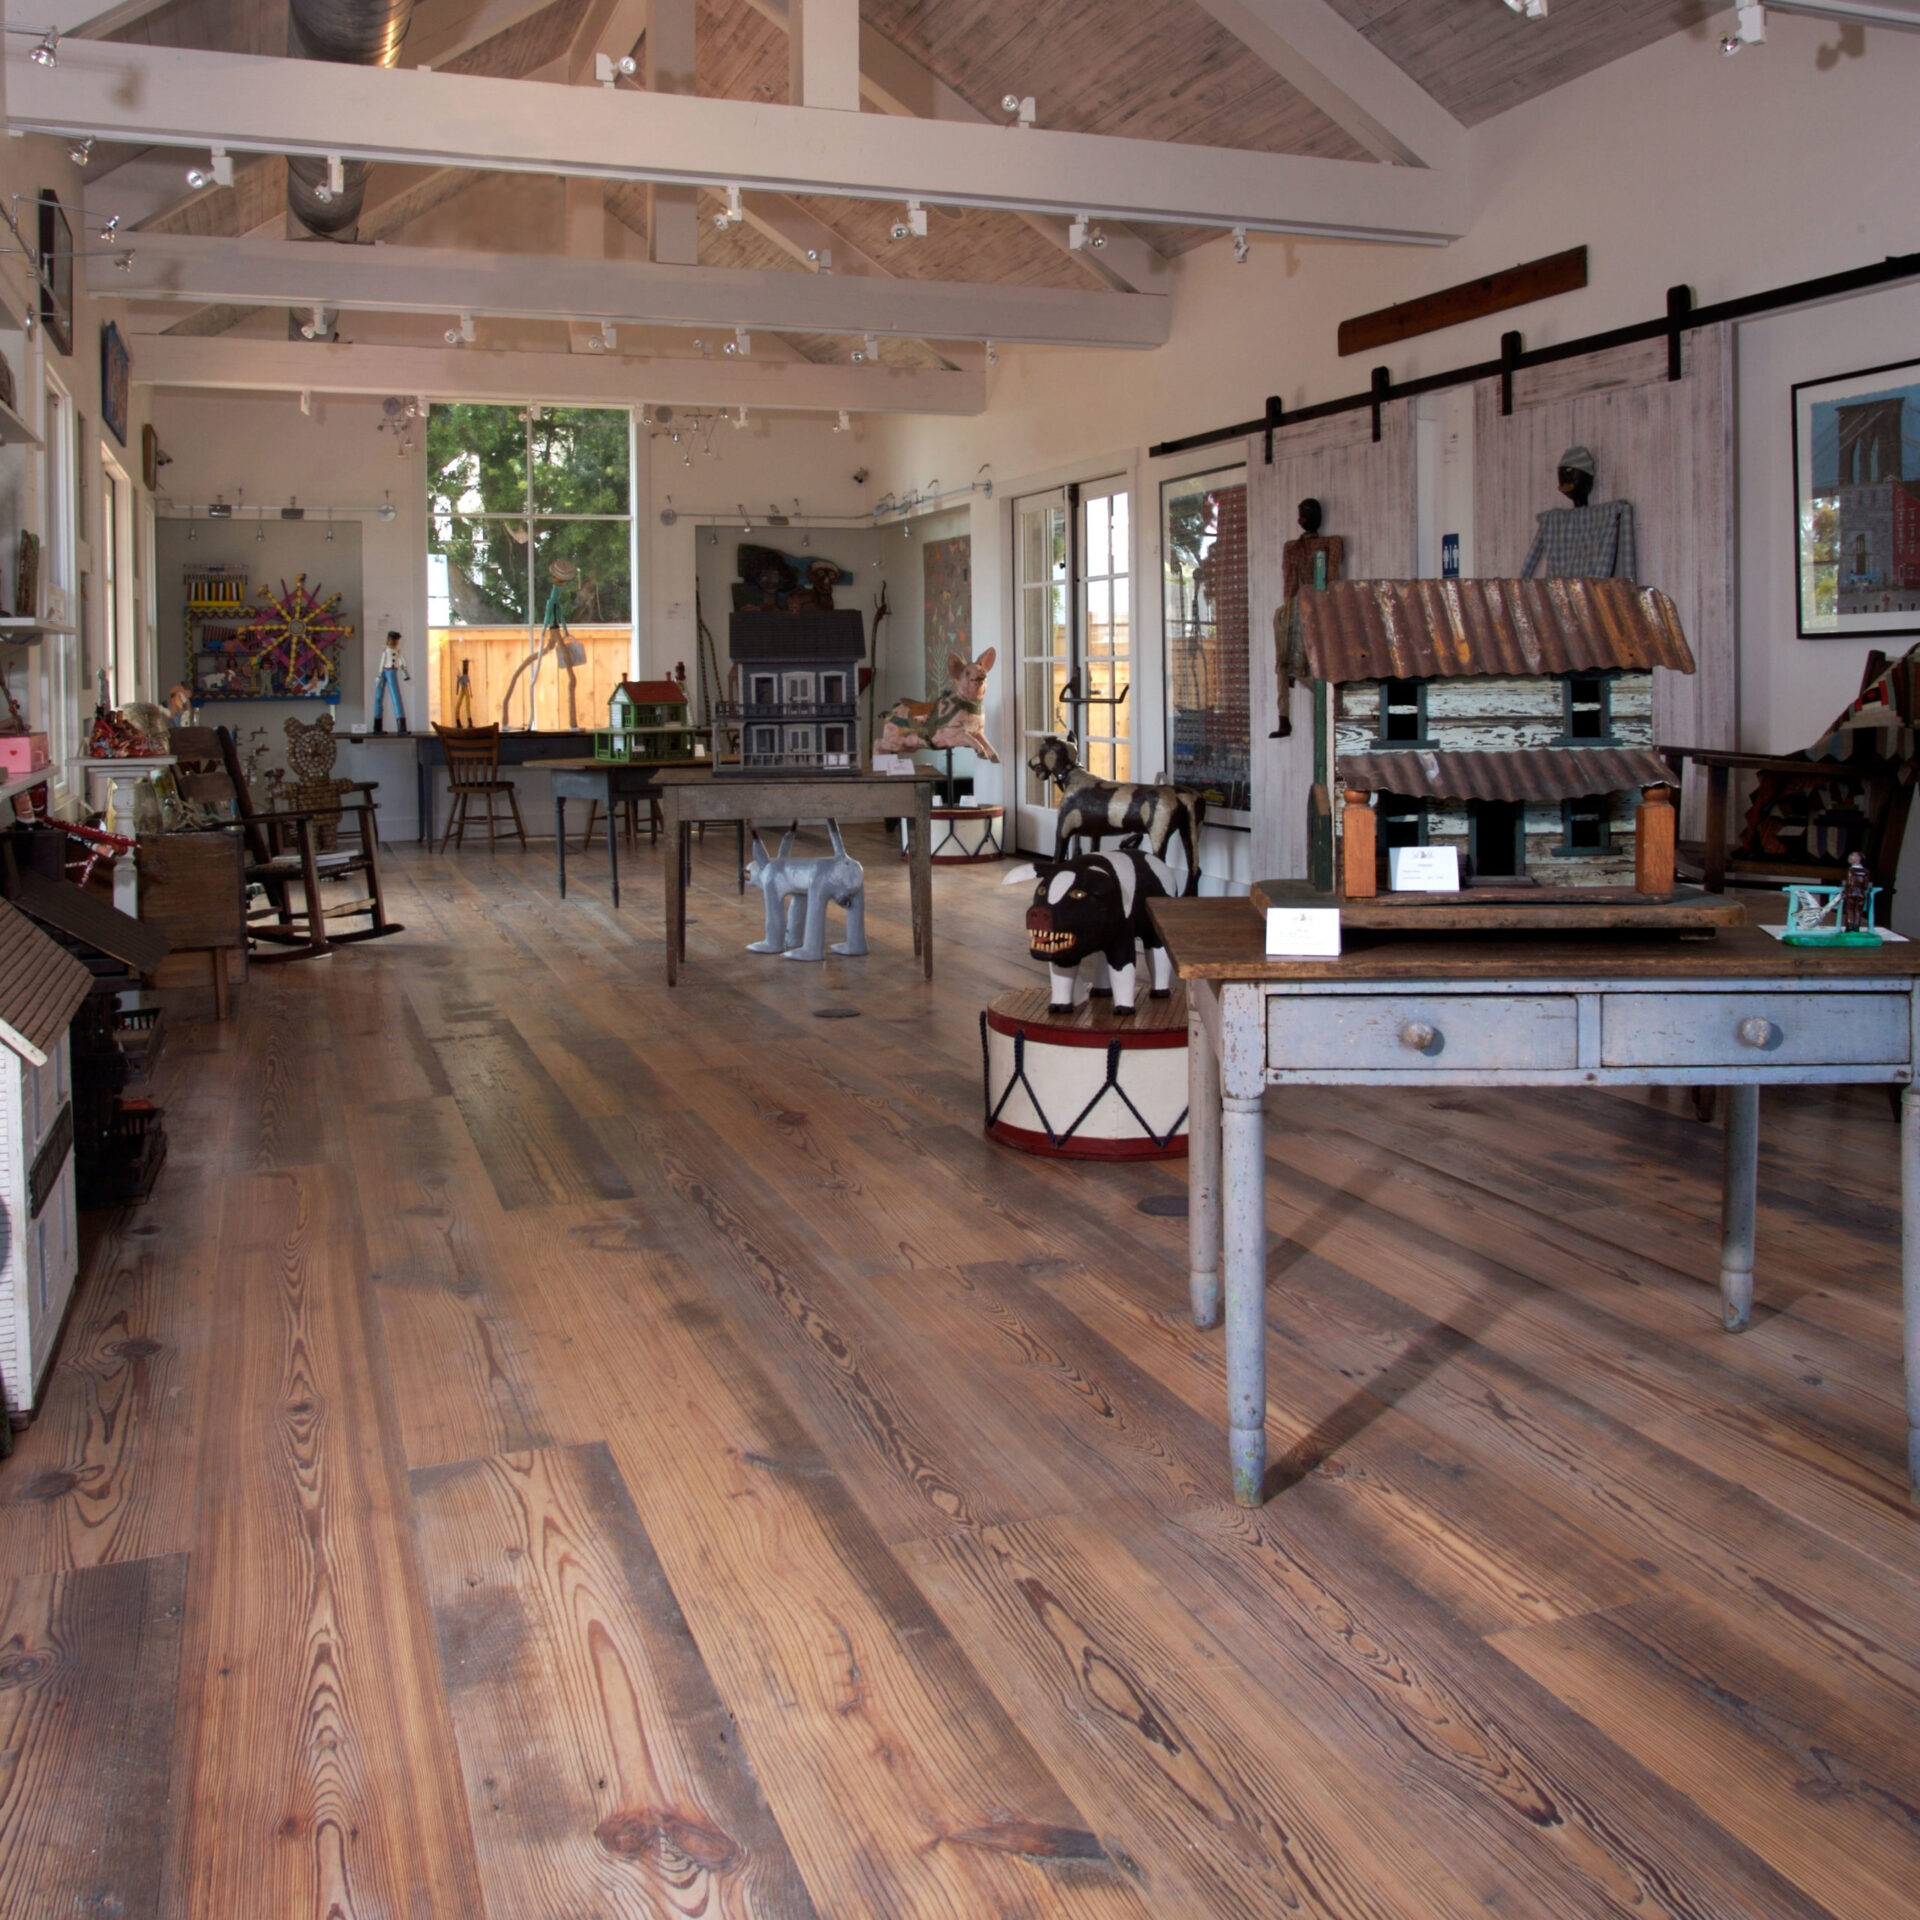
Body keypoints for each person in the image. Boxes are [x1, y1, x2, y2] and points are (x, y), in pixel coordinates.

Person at [1521, 446, 1638, 581]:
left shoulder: (1610, 513)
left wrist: (1631, 590)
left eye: (1570, 474)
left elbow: (1528, 567)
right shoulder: (1552, 520)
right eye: (1562, 475)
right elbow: (1528, 566)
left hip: (1593, 594)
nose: (1565, 480)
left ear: (1588, 478)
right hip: (1560, 592)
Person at [373, 630, 410, 734]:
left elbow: (401, 660)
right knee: (381, 697)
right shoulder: (386, 650)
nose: (394, 643)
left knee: (394, 696)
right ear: (389, 640)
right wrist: (380, 674)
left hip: (391, 671)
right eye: (392, 640)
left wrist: (404, 669)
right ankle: (377, 727)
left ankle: (401, 727)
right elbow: (382, 662)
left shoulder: (397, 651)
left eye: (395, 641)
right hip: (386, 671)